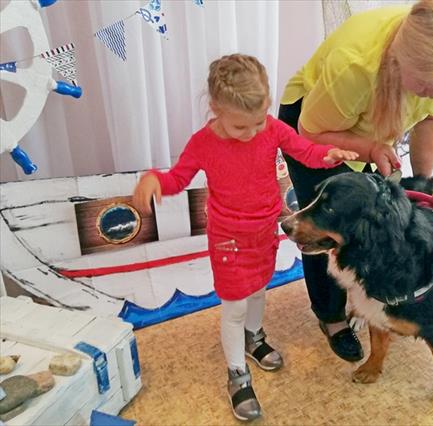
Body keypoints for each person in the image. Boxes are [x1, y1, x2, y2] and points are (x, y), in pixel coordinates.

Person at [132, 54, 357, 421]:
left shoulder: (271, 128)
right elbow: (177, 178)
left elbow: (303, 150)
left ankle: (254, 337)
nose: (252, 132)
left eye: (258, 120)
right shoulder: (203, 143)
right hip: (228, 239)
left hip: (264, 231)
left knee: (257, 290)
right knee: (235, 306)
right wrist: (155, 180)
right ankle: (237, 373)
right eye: (240, 126)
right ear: (215, 109)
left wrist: (327, 154)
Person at [278, 0, 433, 362]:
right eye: (427, 83)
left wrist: (423, 184)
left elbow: (432, 118)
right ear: (400, 63)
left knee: (375, 224)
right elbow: (311, 132)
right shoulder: (354, 65)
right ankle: (332, 317)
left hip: (373, 130)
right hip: (315, 129)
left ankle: (377, 297)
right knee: (328, 224)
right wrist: (369, 148)